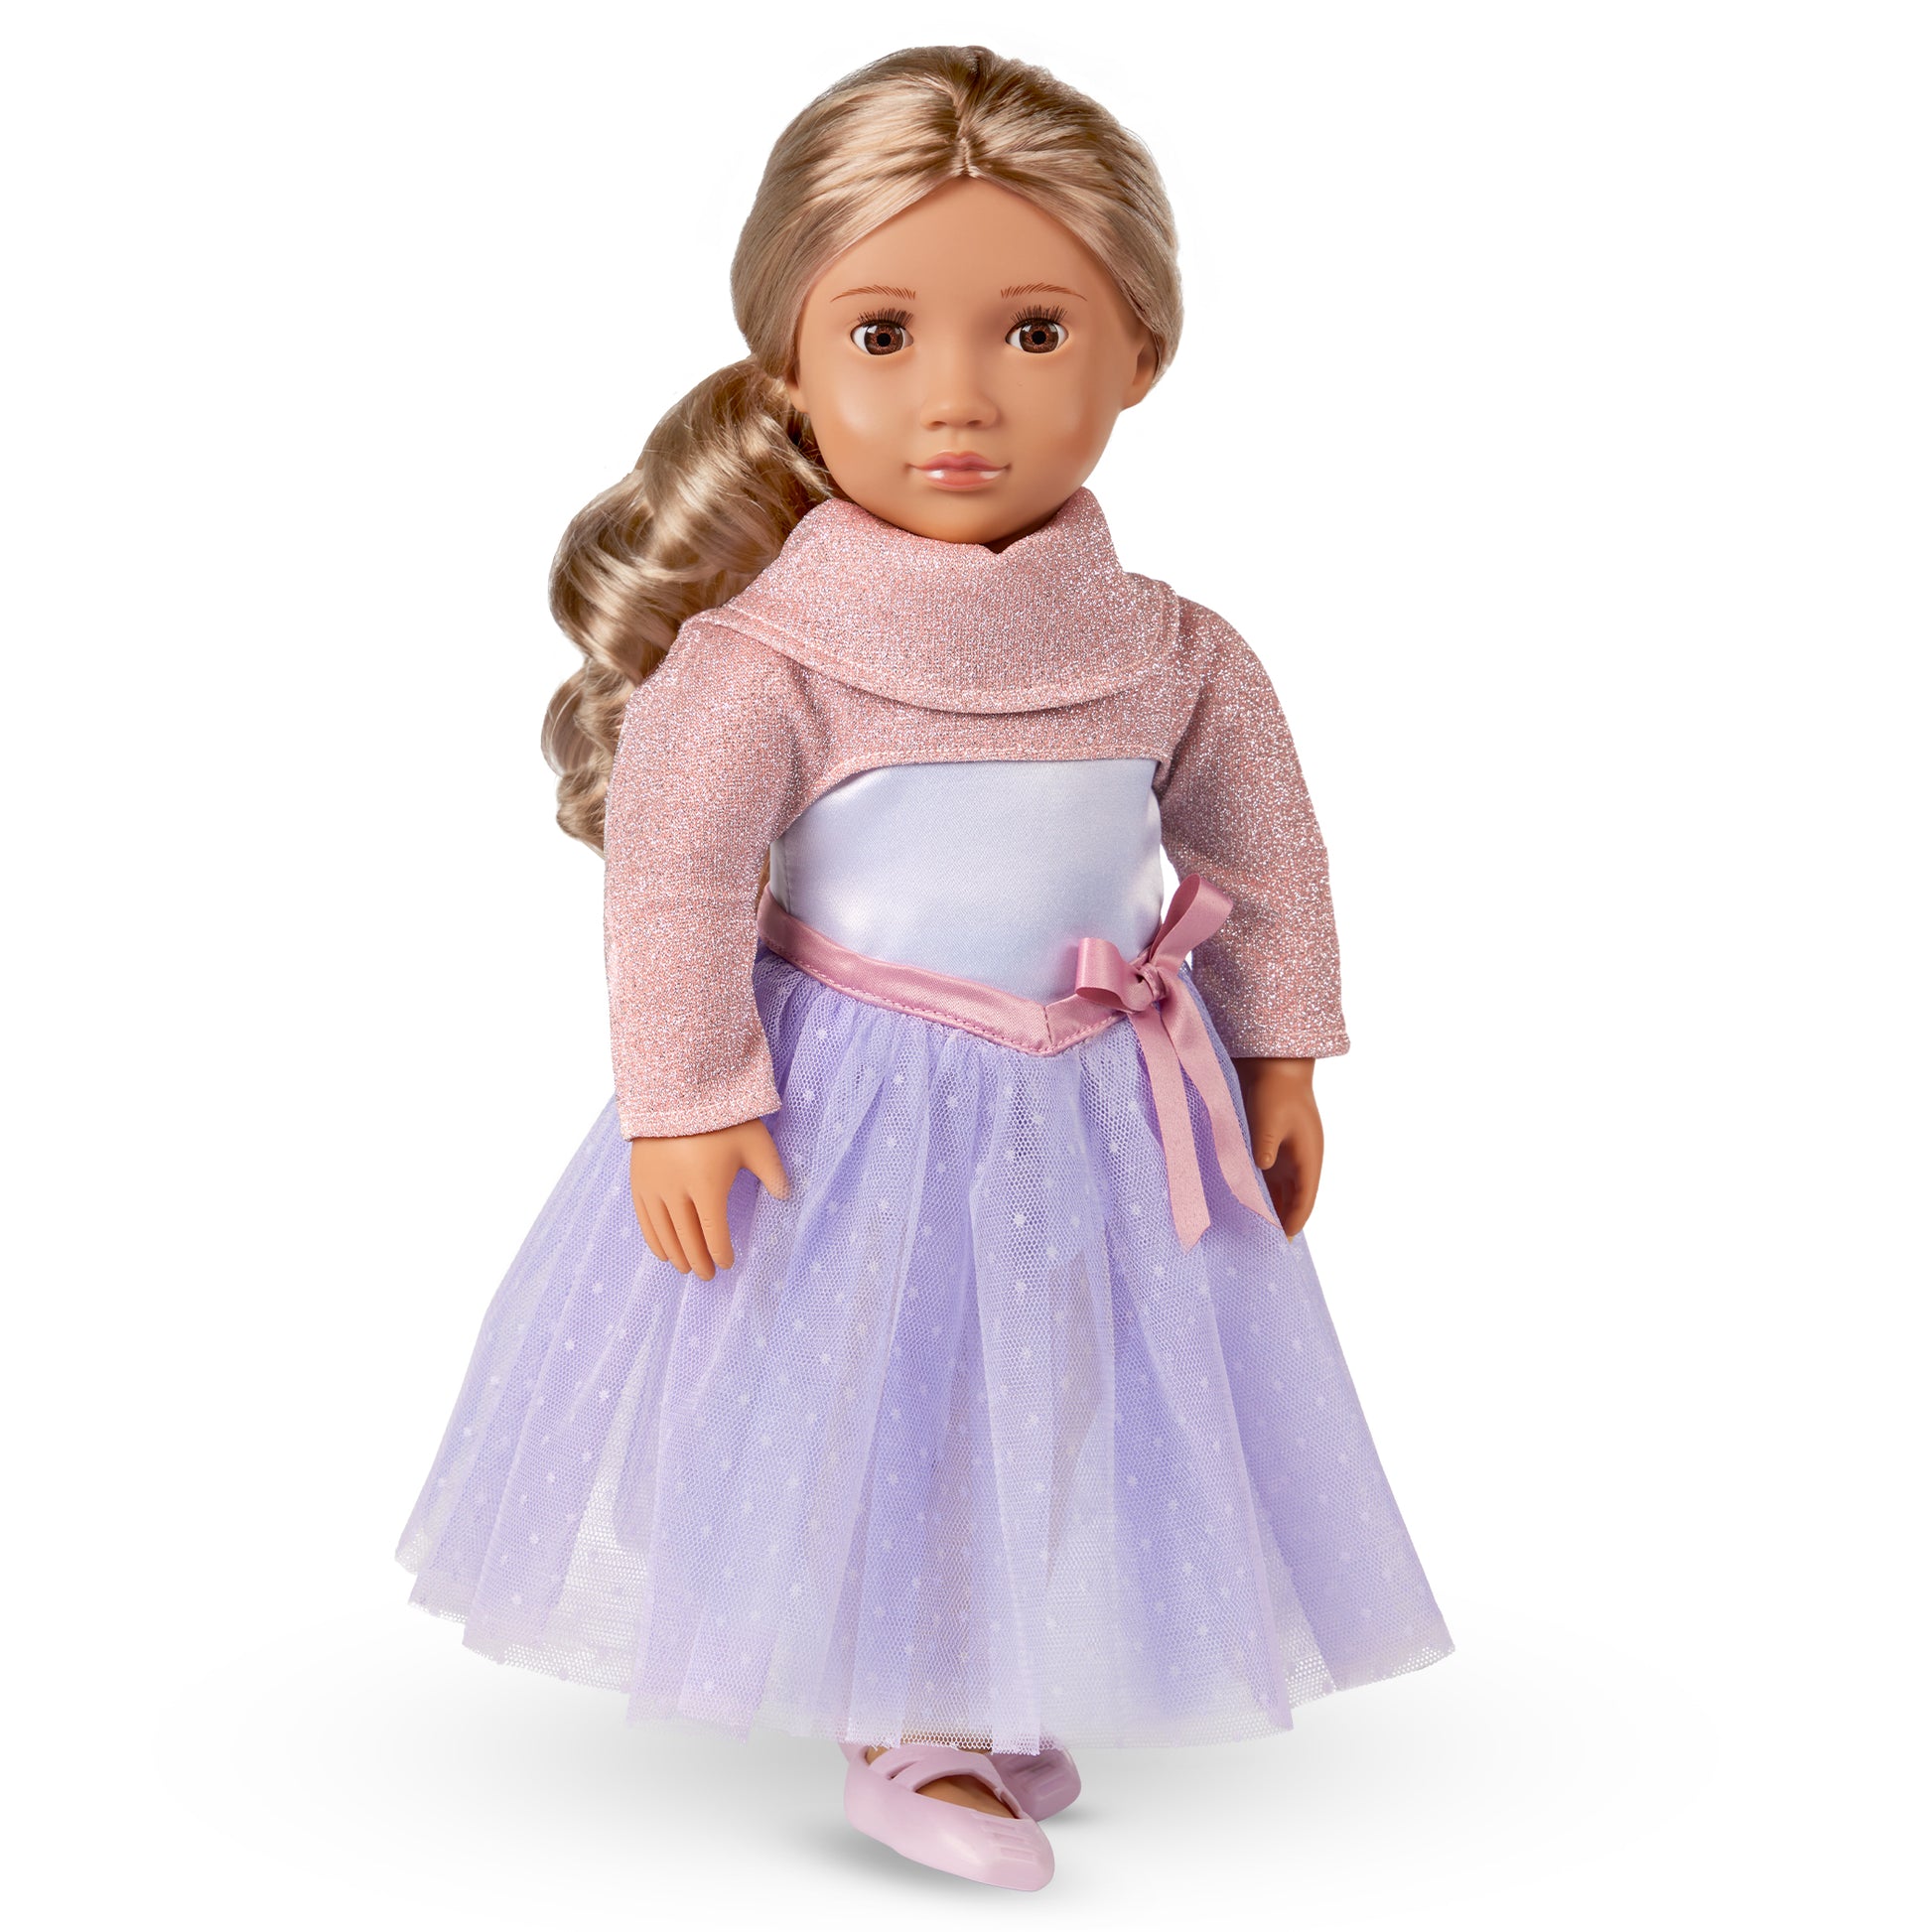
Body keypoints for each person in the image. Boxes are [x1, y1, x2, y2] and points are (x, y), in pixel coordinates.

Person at [395, 43, 1453, 1891]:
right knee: (880, 1394)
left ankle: (978, 1675)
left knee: (1062, 1382)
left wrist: (1277, 1051)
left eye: (1034, 332)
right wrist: (686, 1096)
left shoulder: (1173, 649)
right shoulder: (765, 659)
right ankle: (906, 1714)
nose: (956, 396)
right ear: (790, 369)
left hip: (1107, 1101)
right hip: (853, 1109)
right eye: (881, 335)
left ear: (1139, 353)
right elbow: (673, 879)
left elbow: (1258, 857)